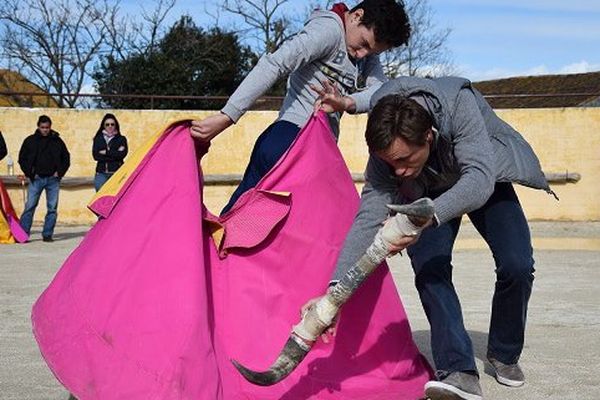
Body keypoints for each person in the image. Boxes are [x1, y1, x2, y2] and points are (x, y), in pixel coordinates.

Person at [305, 76, 554, 400]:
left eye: (405, 160)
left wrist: (424, 219)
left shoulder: (458, 103)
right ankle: (458, 371)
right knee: (430, 270)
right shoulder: (388, 144)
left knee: (517, 264)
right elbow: (368, 218)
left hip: (484, 174)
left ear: (429, 136)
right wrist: (334, 292)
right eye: (389, 163)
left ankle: (504, 352)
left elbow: (478, 181)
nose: (398, 172)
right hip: (424, 190)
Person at [190, 0, 411, 214]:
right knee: (323, 223)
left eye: (371, 52)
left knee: (246, 219)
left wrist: (346, 102)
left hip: (316, 149)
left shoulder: (362, 49)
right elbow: (275, 63)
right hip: (290, 139)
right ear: (356, 16)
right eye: (363, 44)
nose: (362, 55)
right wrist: (227, 116)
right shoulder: (329, 30)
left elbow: (381, 90)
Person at [18, 115, 70, 242]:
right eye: (42, 127)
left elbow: (66, 158)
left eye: (47, 127)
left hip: (53, 179)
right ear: (38, 127)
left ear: (50, 127)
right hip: (36, 179)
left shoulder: (58, 141)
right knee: (30, 206)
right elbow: (22, 158)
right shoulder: (30, 141)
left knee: (52, 208)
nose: (45, 130)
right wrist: (30, 173)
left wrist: (60, 172)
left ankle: (47, 234)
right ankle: (23, 235)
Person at [92, 113, 128, 191]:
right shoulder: (98, 139)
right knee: (100, 196)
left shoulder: (121, 139)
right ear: (103, 126)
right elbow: (95, 156)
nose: (110, 126)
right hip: (101, 173)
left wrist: (106, 152)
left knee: (117, 197)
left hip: (117, 172)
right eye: (107, 124)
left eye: (112, 124)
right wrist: (115, 154)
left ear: (116, 125)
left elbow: (122, 155)